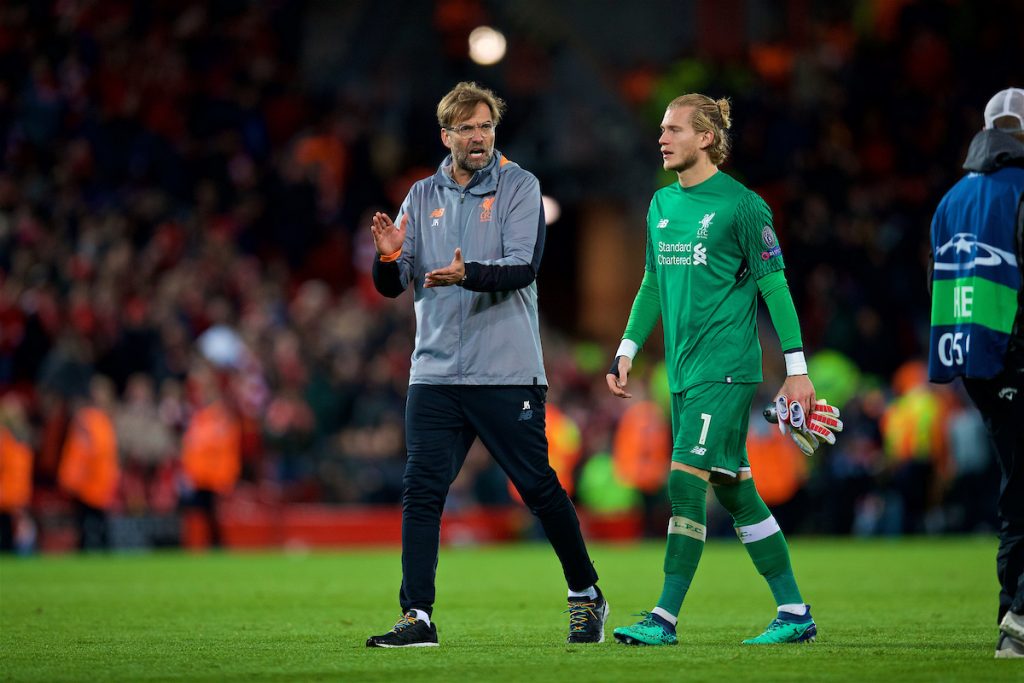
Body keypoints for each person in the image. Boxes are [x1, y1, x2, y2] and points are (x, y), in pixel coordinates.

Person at [365, 82, 606, 647]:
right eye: (467, 128)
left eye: (486, 126)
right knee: (422, 489)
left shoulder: (521, 186)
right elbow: (390, 288)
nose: (478, 137)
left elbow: (523, 267)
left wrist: (464, 272)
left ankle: (586, 594)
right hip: (435, 374)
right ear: (445, 135)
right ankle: (417, 616)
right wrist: (390, 256)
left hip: (506, 372)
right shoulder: (420, 197)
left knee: (538, 488)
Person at [606, 94, 840, 646]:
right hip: (683, 373)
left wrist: (797, 370)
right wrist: (627, 347)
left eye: (674, 129)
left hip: (728, 368)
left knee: (684, 482)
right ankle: (794, 611)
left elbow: (774, 285)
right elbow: (651, 284)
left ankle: (663, 617)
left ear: (706, 137)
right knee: (736, 492)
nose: (662, 138)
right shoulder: (660, 205)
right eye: (661, 129)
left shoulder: (743, 207)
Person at [927, 87, 1024, 659]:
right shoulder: (1019, 191)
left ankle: (1011, 613)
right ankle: (1016, 618)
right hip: (1016, 352)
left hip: (972, 360)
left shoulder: (952, 199)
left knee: (1017, 486)